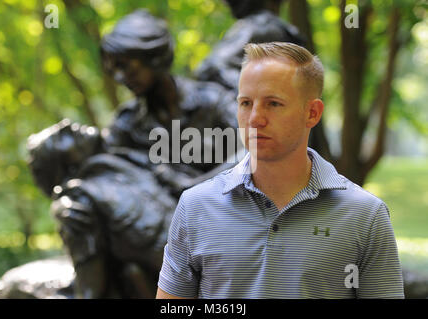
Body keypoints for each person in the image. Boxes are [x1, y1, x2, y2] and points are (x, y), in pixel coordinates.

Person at [156, 42, 404, 298]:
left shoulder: (365, 215)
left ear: (312, 113)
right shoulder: (195, 206)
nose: (255, 118)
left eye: (273, 104)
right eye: (245, 103)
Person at [27, 9, 238, 298]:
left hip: (227, 220)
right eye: (113, 69)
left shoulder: (213, 101)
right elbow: (103, 175)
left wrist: (196, 187)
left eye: (126, 66)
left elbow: (254, 154)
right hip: (164, 236)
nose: (119, 76)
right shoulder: (125, 124)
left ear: (153, 55)